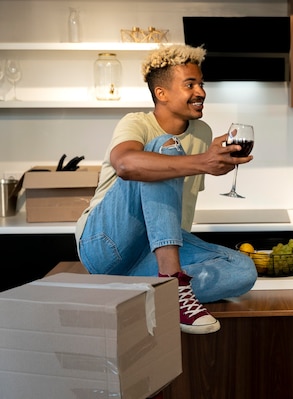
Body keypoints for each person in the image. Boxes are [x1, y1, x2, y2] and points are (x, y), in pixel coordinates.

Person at [75, 44, 258, 335]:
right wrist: (200, 161)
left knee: (243, 270)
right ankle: (173, 285)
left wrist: (207, 163)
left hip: (151, 256)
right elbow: (125, 164)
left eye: (201, 83)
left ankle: (149, 292)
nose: (201, 92)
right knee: (165, 148)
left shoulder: (202, 132)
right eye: (190, 84)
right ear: (161, 93)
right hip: (105, 244)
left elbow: (177, 212)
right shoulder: (136, 123)